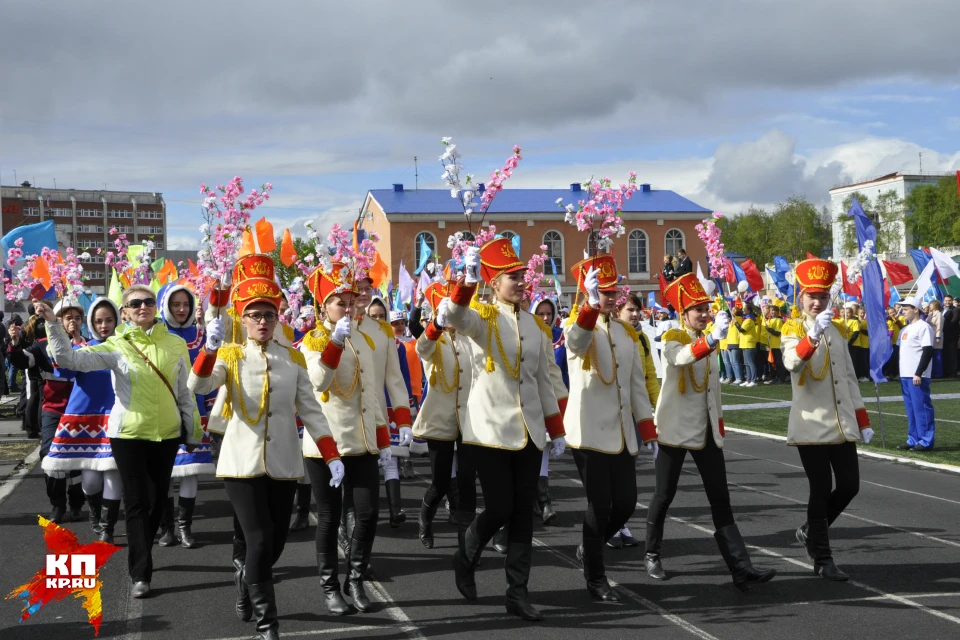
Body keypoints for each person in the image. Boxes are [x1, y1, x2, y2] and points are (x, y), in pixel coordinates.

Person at [191, 253, 343, 639]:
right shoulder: (231, 354)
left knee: (274, 544)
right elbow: (200, 387)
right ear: (242, 319)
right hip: (241, 463)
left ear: (278, 318)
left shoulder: (292, 358)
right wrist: (208, 351)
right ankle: (267, 621)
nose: (262, 321)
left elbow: (311, 410)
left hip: (284, 462)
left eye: (269, 315)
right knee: (258, 538)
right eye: (255, 315)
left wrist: (330, 453)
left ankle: (246, 581)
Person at [41, 285, 202, 599]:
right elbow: (69, 358)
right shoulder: (117, 344)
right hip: (127, 435)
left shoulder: (176, 343)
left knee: (156, 503)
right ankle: (141, 572)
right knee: (137, 501)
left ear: (155, 306)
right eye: (134, 303)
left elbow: (185, 392)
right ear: (125, 311)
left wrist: (192, 429)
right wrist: (52, 323)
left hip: (167, 434)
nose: (142, 306)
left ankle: (144, 548)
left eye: (148, 301)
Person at [441, 238, 565, 621]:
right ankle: (467, 553)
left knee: (523, 514)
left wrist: (555, 428)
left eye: (522, 276)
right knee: (499, 507)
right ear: (494, 283)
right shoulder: (482, 315)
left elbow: (544, 379)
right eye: (512, 277)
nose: (521, 282)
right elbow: (455, 317)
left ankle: (517, 593)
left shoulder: (534, 324)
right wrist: (467, 281)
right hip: (490, 429)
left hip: (529, 431)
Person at [645, 272, 775, 591]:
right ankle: (651, 552)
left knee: (721, 498)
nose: (704, 314)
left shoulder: (711, 336)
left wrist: (717, 424)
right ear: (683, 312)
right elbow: (680, 358)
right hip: (674, 428)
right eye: (697, 309)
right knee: (665, 494)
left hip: (705, 431)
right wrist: (712, 338)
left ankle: (740, 566)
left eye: (706, 308)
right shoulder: (674, 335)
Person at [564, 255, 657, 602]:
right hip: (588, 431)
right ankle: (595, 576)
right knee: (599, 504)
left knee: (627, 503)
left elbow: (636, 385)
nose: (610, 296)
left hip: (620, 433)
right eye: (603, 290)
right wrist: (588, 306)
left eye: (612, 290)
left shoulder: (626, 332)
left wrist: (648, 430)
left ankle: (590, 548)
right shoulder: (579, 323)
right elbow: (575, 343)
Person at [299, 260, 386, 616]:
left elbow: (370, 393)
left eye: (352, 301)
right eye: (340, 302)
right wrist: (335, 341)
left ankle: (356, 578)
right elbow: (319, 382)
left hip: (363, 441)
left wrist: (384, 436)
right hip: (326, 444)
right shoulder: (312, 340)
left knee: (367, 514)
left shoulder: (365, 339)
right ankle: (330, 587)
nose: (348, 308)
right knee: (330, 517)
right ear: (324, 308)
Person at [781, 259, 873, 581]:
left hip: (841, 424)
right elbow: (792, 363)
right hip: (811, 424)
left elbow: (848, 379)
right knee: (820, 489)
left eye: (822, 296)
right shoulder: (793, 328)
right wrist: (813, 335)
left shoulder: (836, 329)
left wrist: (862, 419)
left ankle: (810, 531)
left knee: (849, 486)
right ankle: (822, 558)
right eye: (811, 296)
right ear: (800, 297)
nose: (817, 302)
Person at [40, 297, 123, 542]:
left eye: (109, 320)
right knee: (90, 481)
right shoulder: (80, 350)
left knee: (112, 475)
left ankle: (107, 529)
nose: (104, 325)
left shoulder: (126, 348)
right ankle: (95, 515)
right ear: (92, 323)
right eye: (99, 321)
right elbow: (64, 369)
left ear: (117, 320)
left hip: (117, 420)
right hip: (83, 421)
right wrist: (54, 325)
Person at [9, 299, 87, 523]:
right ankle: (57, 505)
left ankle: (76, 503)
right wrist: (14, 342)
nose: (73, 321)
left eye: (77, 317)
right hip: (52, 410)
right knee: (50, 456)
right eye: (67, 317)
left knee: (78, 458)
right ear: (58, 320)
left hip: (80, 412)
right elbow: (22, 360)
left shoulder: (89, 345)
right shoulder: (43, 345)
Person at [414, 281, 474, 549]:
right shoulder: (432, 338)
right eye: (445, 312)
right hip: (439, 418)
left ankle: (465, 540)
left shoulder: (470, 339)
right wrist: (435, 326)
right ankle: (425, 520)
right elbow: (422, 349)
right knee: (439, 482)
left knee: (466, 481)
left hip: (469, 420)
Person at [157, 283, 216, 549]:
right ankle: (167, 527)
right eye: (175, 304)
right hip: (163, 412)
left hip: (196, 411)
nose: (181, 309)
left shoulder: (203, 336)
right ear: (165, 307)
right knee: (165, 473)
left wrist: (213, 408)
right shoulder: (155, 334)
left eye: (186, 304)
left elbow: (212, 374)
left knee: (190, 472)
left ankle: (185, 528)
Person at [895, 296, 937, 452]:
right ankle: (913, 439)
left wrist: (918, 372)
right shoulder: (906, 329)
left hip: (917, 375)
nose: (903, 312)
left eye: (906, 309)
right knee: (911, 409)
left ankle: (926, 440)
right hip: (905, 374)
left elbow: (927, 351)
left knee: (922, 408)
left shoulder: (924, 327)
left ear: (915, 309)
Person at [942, 296, 958, 377]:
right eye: (946, 300)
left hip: (951, 335)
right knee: (945, 353)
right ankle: (946, 370)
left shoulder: (956, 310)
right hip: (943, 336)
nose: (947, 302)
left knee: (952, 353)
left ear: (952, 301)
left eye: (949, 300)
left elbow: (954, 321)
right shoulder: (942, 309)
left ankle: (953, 372)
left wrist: (942, 328)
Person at [926, 300, 944, 378]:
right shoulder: (930, 314)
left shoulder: (939, 314)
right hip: (930, 335)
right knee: (932, 355)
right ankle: (932, 372)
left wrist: (938, 336)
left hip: (936, 335)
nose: (929, 306)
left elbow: (939, 326)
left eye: (931, 305)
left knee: (937, 355)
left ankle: (937, 373)